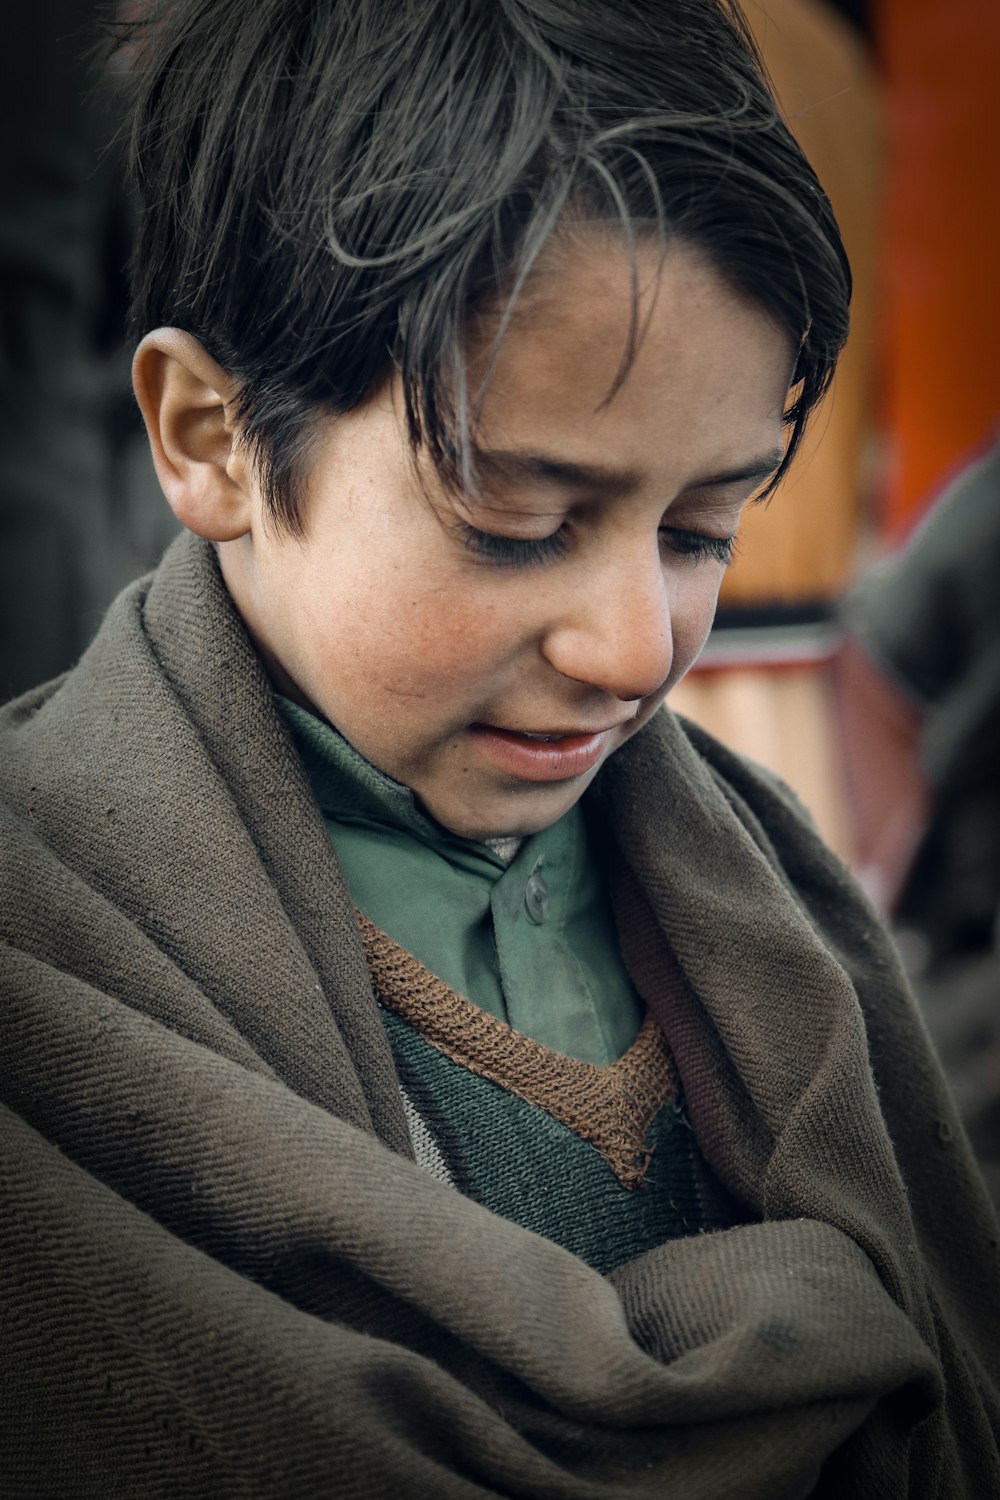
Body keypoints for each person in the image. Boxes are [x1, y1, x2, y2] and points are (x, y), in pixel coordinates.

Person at [1, 2, 996, 1495]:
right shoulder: (45, 952)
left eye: (699, 531)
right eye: (519, 526)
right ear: (210, 438)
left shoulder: (782, 902)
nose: (640, 650)